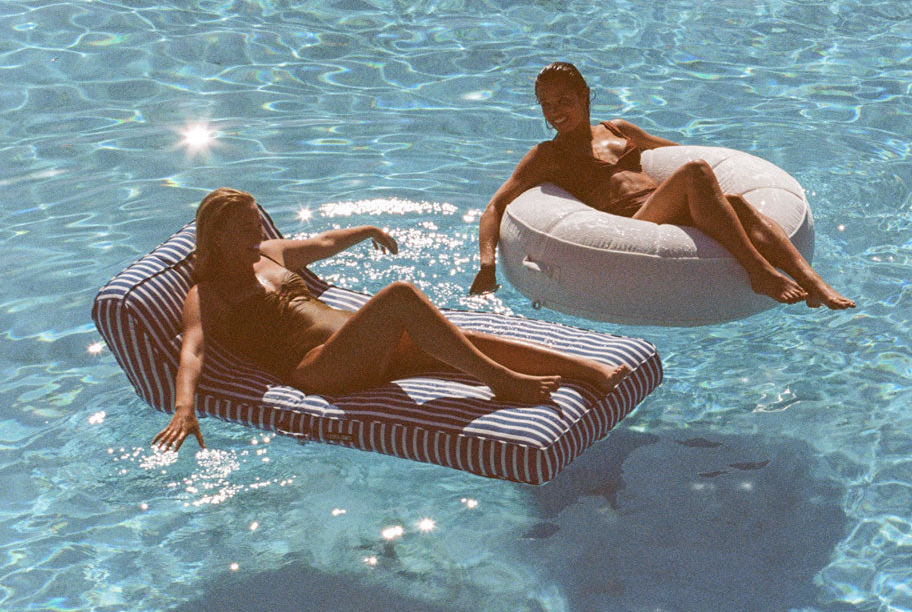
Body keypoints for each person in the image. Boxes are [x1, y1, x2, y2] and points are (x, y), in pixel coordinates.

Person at [151, 188, 628, 452]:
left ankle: (586, 369)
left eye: (258, 224)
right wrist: (183, 409)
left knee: (465, 337)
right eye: (246, 229)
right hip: (319, 368)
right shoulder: (208, 293)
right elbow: (192, 349)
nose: (258, 234)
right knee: (400, 298)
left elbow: (320, 244)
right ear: (217, 236)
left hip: (359, 347)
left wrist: (366, 230)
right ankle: (503, 382)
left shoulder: (270, 255)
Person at [467, 62, 855, 311]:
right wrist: (487, 266)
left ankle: (814, 283)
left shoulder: (619, 130)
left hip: (663, 204)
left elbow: (679, 151)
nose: (554, 112)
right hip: (635, 220)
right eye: (545, 104)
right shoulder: (547, 155)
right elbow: (495, 207)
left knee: (734, 199)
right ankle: (759, 272)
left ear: (586, 96)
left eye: (563, 100)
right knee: (697, 174)